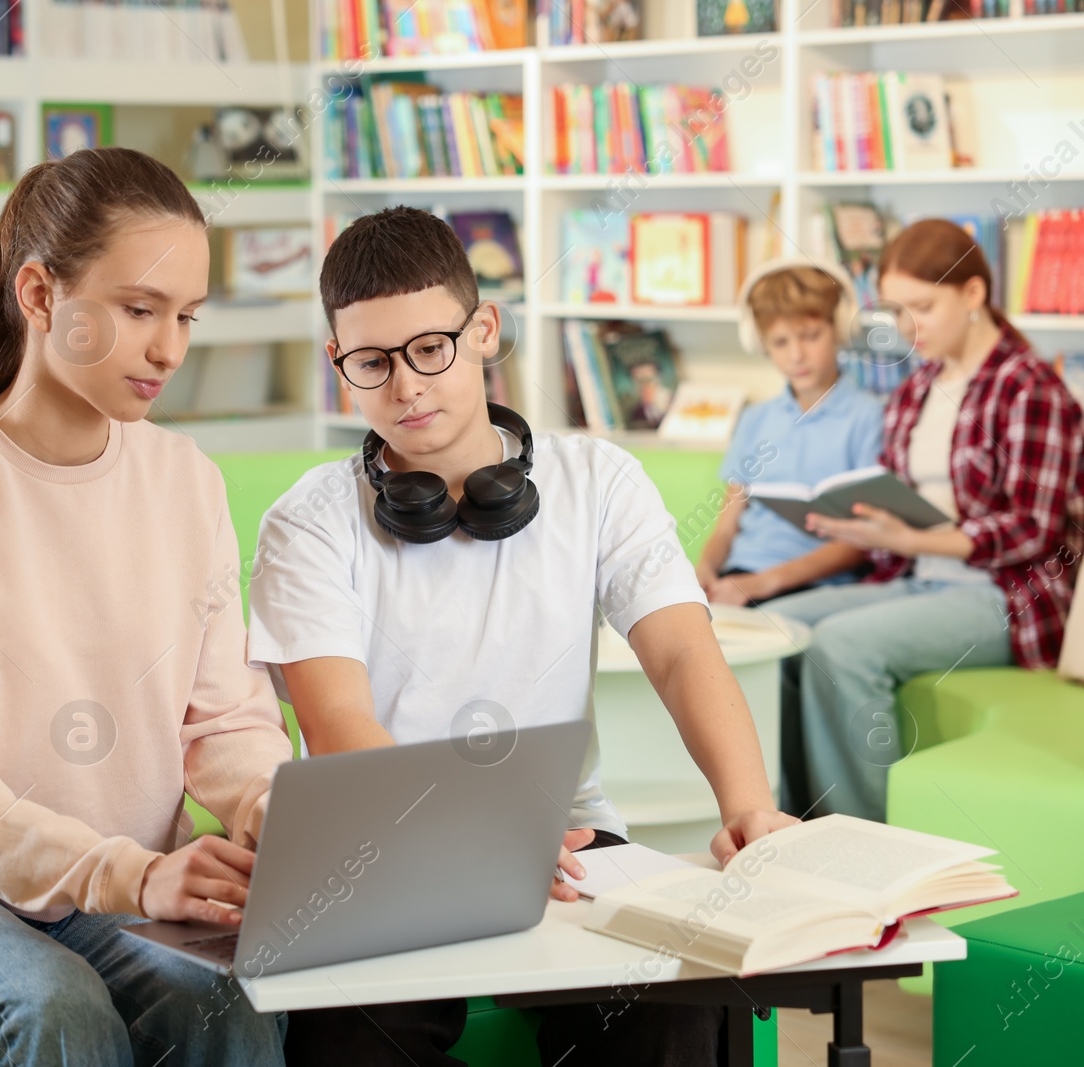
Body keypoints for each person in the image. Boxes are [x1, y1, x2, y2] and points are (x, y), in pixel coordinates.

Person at [246, 206, 797, 1067]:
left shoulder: (599, 480)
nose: (407, 386)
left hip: (567, 842)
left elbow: (684, 651)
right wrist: (476, 849)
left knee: (683, 1002)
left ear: (484, 331)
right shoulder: (308, 525)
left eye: (430, 348)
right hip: (386, 854)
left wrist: (748, 805)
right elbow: (339, 726)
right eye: (372, 362)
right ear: (338, 364)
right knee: (352, 1042)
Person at [0, 147, 291, 1067]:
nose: (170, 349)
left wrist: (270, 807)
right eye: (138, 309)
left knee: (232, 1004)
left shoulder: (185, 481)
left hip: (111, 888)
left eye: (186, 316)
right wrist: (138, 873)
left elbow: (227, 719)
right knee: (56, 1010)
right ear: (39, 296)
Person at [762, 218, 1084, 822]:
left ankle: (861, 840)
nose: (910, 327)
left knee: (841, 646)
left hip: (1005, 595)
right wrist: (856, 521)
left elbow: (1033, 528)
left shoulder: (1029, 387)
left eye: (924, 306)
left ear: (973, 294)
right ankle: (787, 821)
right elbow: (897, 498)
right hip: (919, 581)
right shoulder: (917, 390)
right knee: (776, 628)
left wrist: (909, 536)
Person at [694, 259, 884, 608]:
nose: (797, 355)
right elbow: (725, 528)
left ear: (839, 328)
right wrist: (704, 570)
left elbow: (864, 541)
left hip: (814, 586)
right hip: (740, 576)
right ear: (762, 344)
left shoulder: (867, 416)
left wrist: (764, 583)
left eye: (811, 336)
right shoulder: (755, 419)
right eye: (780, 343)